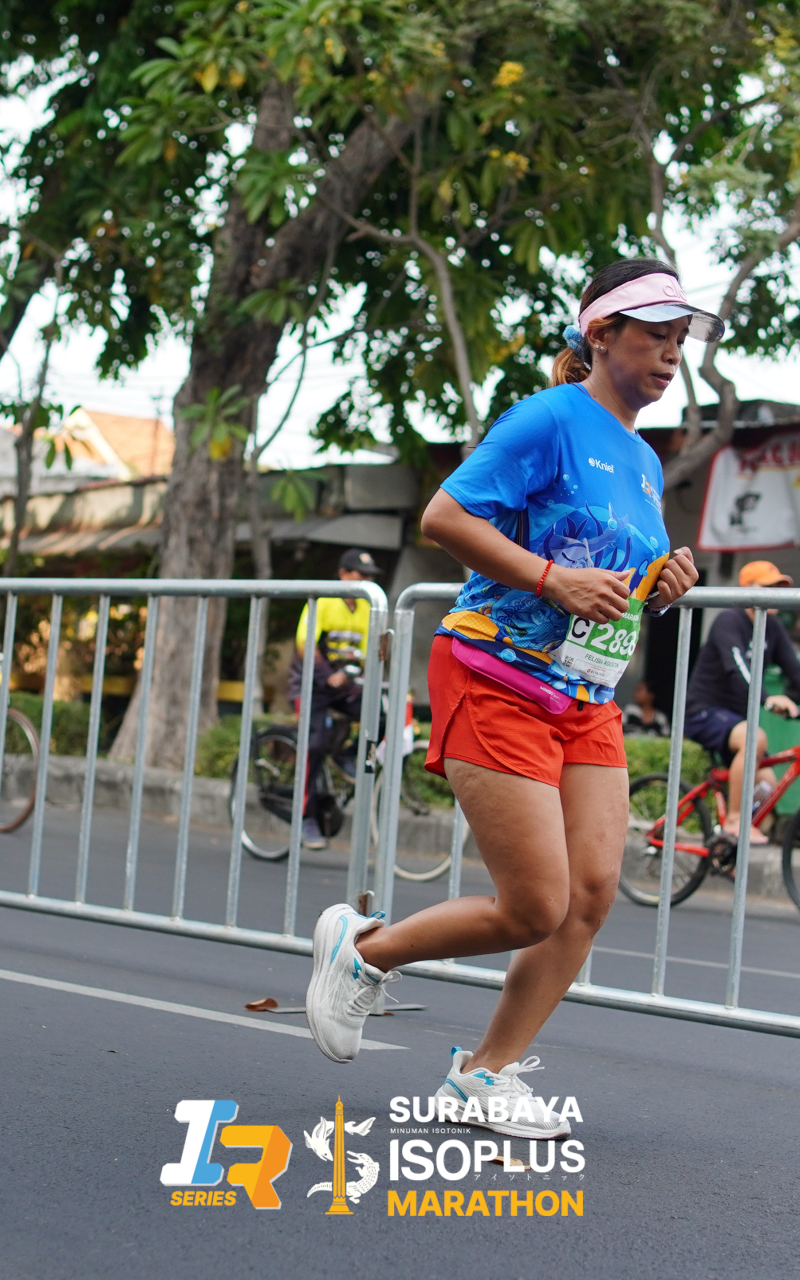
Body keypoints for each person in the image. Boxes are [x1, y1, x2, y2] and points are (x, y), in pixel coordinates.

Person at [300, 258, 706, 1138]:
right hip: (497, 674)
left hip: (585, 694)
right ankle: (363, 952)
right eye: (656, 335)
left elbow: (608, 573)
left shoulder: (644, 458)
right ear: (601, 335)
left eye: (681, 339)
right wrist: (552, 579)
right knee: (534, 905)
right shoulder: (548, 418)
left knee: (590, 894)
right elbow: (445, 518)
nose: (673, 355)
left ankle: (483, 1075)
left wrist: (662, 582)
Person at [680, 560, 800, 842]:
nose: (776, 594)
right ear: (748, 589)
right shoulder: (729, 621)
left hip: (735, 720)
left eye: (779, 588)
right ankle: (734, 821)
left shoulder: (773, 628)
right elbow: (737, 669)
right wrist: (768, 700)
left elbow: (795, 669)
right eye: (769, 587)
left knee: (768, 784)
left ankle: (728, 847)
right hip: (704, 713)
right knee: (754, 739)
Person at [286, 548, 380, 849]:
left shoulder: (367, 607)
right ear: (343, 575)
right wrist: (329, 675)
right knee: (313, 746)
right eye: (361, 575)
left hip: (344, 686)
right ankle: (305, 817)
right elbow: (305, 645)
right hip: (311, 685)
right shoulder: (325, 600)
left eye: (370, 576)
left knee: (380, 714)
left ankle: (346, 756)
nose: (366, 581)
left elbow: (367, 653)